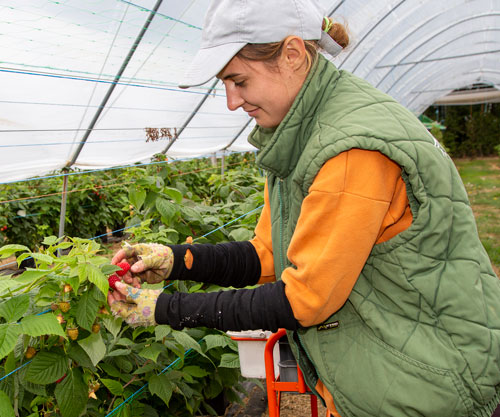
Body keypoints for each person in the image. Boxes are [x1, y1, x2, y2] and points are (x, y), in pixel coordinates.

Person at [108, 1, 500, 416]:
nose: (231, 101)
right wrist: (178, 261)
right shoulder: (297, 132)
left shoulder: (351, 148)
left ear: (292, 55)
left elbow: (305, 299)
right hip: (391, 370)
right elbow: (270, 255)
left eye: (238, 81)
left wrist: (164, 308)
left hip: (428, 381)